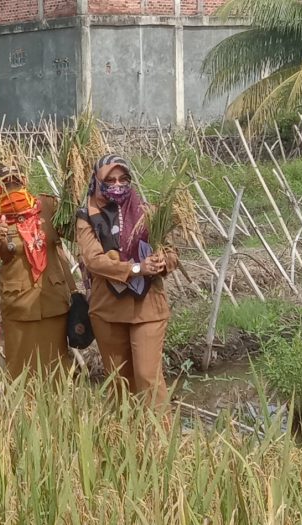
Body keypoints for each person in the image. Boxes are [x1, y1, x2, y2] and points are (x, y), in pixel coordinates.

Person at [75, 155, 179, 406]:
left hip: (148, 307)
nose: (117, 184)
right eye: (110, 180)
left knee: (147, 376)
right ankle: (125, 437)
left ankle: (159, 439)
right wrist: (136, 268)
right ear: (97, 181)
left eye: (123, 179)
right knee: (118, 380)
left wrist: (163, 261)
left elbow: (172, 252)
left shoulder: (148, 212)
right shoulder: (87, 216)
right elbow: (94, 261)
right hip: (108, 309)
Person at [0, 160, 76, 378]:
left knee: (56, 369)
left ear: (25, 181)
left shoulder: (47, 206)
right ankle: (23, 411)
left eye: (16, 182)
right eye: (6, 185)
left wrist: (72, 197)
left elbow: (74, 232)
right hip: (19, 304)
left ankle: (60, 411)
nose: (13, 189)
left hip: (52, 301)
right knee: (21, 371)